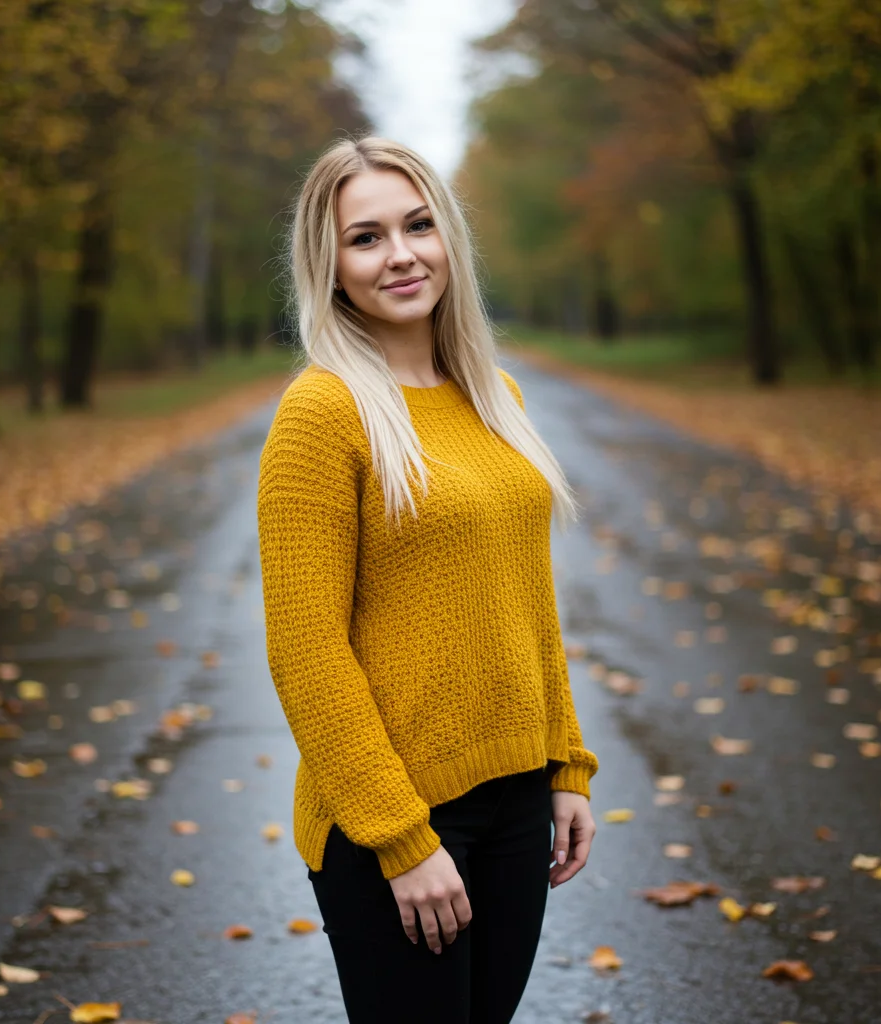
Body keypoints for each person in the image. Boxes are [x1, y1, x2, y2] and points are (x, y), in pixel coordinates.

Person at [256, 135, 598, 1024]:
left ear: (449, 237)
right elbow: (305, 650)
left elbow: (528, 602)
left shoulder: (496, 397)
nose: (401, 254)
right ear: (330, 267)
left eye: (418, 225)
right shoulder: (322, 413)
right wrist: (402, 840)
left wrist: (567, 764)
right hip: (392, 820)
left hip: (519, 799)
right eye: (366, 238)